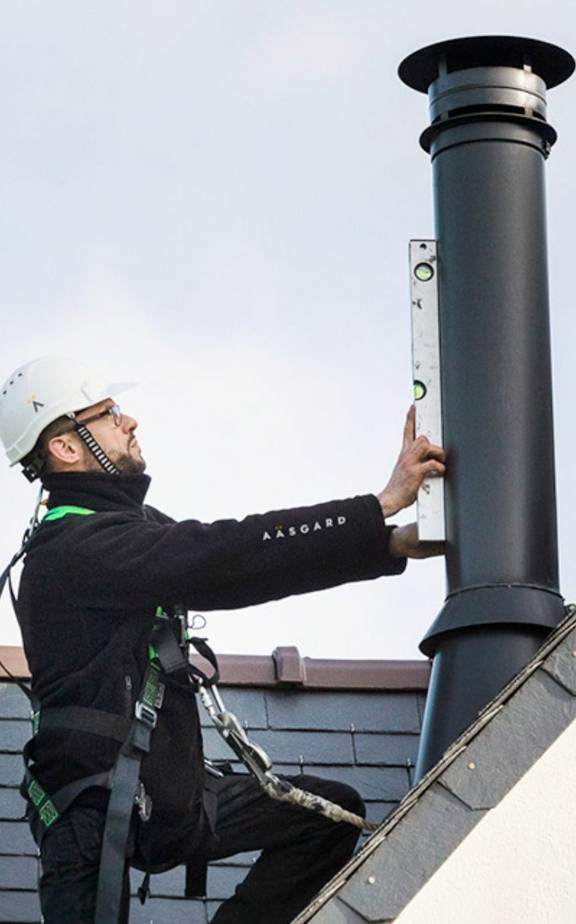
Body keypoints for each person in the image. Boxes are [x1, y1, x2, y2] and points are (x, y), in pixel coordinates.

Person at [0, 355, 446, 924]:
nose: (130, 420)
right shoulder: (71, 547)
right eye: (109, 414)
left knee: (328, 815)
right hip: (89, 817)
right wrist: (378, 505)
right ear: (66, 446)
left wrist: (384, 545)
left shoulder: (124, 528)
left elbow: (251, 560)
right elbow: (224, 555)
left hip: (171, 798)